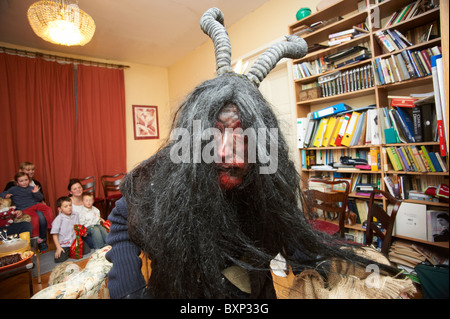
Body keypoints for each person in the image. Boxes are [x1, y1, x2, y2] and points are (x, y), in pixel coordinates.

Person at [106, 8, 414, 299]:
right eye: (216, 132)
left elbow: (296, 239)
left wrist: (339, 270)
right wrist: (129, 289)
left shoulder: (265, 181)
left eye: (244, 135)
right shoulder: (165, 171)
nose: (230, 154)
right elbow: (122, 219)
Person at [0, 172, 54, 251]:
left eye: (26, 180)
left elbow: (40, 198)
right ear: (17, 182)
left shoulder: (31, 188)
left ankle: (51, 226)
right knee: (35, 218)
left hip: (34, 204)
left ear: (29, 180)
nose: (24, 182)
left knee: (48, 208)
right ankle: (36, 237)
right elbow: (2, 193)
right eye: (21, 181)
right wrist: (5, 195)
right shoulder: (13, 189)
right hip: (24, 208)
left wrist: (36, 193)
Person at [51, 196, 90, 263]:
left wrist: (83, 233)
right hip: (65, 244)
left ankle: (72, 251)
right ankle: (70, 252)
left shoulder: (76, 214)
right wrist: (58, 248)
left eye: (70, 205)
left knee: (87, 251)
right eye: (66, 206)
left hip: (75, 241)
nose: (69, 207)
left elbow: (77, 227)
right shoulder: (58, 220)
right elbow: (54, 235)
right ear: (60, 209)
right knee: (59, 259)